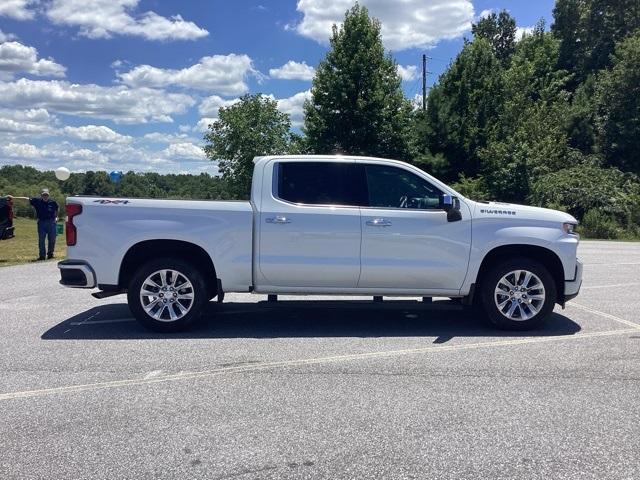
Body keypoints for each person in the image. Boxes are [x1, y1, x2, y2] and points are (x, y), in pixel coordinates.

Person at [7, 189, 59, 260]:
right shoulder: (37, 201)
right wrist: (13, 198)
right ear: (41, 195)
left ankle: (50, 254)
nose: (45, 196)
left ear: (48, 195)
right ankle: (42, 256)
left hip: (51, 223)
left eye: (46, 195)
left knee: (52, 239)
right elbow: (26, 199)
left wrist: (56, 218)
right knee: (41, 240)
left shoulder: (53, 202)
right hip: (42, 223)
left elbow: (56, 211)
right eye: (44, 195)